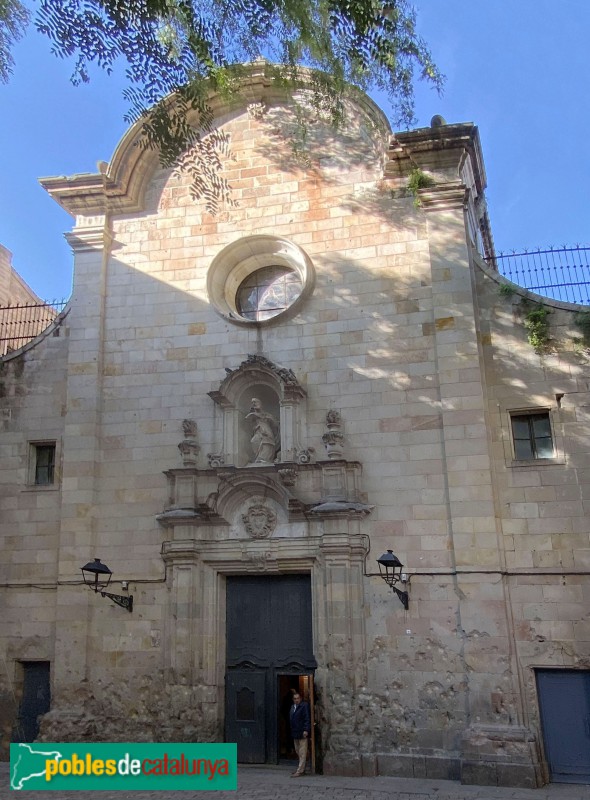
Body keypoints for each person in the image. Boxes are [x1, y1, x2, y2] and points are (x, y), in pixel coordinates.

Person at [289, 692, 311, 777]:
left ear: (300, 698)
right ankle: (302, 768)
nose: (296, 700)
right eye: (295, 699)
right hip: (295, 732)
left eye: (298, 698)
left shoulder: (304, 706)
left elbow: (307, 718)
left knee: (302, 751)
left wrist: (306, 729)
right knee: (297, 750)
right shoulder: (292, 707)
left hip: (302, 732)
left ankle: (300, 770)